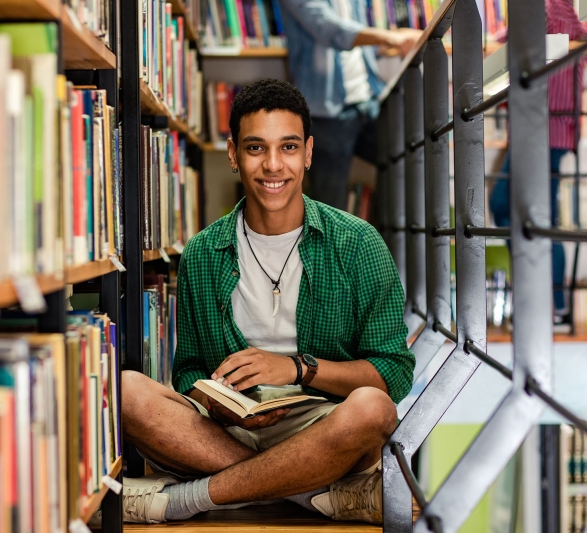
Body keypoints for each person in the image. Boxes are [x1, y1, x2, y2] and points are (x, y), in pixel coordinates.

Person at [116, 79, 415, 525]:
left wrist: (297, 368)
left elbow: (393, 373)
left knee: (372, 408)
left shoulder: (358, 243)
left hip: (321, 426)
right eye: (256, 149)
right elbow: (188, 371)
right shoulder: (202, 252)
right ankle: (315, 493)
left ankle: (189, 499)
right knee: (125, 391)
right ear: (234, 155)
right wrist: (216, 396)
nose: (273, 166)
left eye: (288, 147)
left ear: (308, 152)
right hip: (229, 429)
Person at [489, 0, 587, 317]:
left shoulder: (546, 7)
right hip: (553, 129)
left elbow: (518, 39)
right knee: (534, 215)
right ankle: (553, 300)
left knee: (514, 210)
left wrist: (494, 41)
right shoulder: (565, 11)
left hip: (540, 130)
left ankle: (549, 299)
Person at [276, 0, 422, 210]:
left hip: (368, 100)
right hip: (325, 113)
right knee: (329, 205)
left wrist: (398, 39)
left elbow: (359, 43)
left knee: (410, 159)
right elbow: (329, 30)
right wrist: (390, 37)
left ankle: (382, 239)